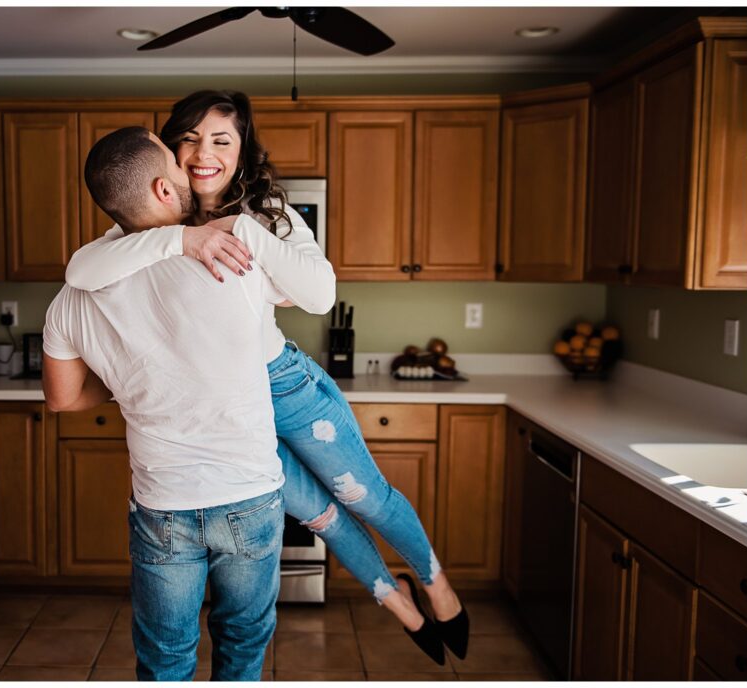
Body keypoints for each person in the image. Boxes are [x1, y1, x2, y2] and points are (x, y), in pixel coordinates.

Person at [64, 90, 470, 664]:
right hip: (223, 422)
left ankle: (436, 586)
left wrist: (243, 231)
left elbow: (321, 294)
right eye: (190, 138)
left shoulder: (268, 212)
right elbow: (80, 271)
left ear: (240, 152)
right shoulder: (147, 226)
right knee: (320, 516)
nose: (204, 153)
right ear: (166, 153)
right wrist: (186, 237)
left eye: (222, 140)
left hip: (284, 388)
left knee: (366, 499)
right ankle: (398, 601)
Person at [42, 126, 287, 681]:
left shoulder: (69, 301)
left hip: (164, 504)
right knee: (242, 648)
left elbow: (61, 399)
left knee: (165, 660)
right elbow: (310, 291)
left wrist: (129, 379)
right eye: (179, 172)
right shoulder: (231, 257)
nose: (190, 179)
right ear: (160, 189)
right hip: (249, 493)